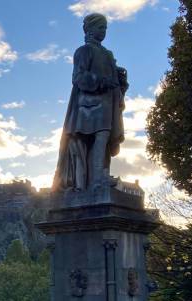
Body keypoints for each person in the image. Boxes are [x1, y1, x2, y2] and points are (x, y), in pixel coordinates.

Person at [52, 12, 129, 193]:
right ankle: (95, 180)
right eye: (100, 27)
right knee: (95, 140)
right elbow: (78, 78)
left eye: (105, 28)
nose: (103, 31)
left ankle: (99, 176)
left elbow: (116, 84)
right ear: (90, 29)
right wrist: (102, 81)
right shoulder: (84, 51)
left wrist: (120, 79)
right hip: (88, 107)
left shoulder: (108, 54)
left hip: (105, 106)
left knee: (104, 140)